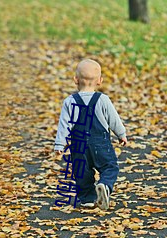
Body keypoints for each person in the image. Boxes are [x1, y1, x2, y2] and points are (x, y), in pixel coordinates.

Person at [54, 59, 127, 210]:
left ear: (76, 79)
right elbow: (113, 119)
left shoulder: (69, 101)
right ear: (100, 81)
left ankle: (87, 198)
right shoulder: (103, 100)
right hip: (100, 143)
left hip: (79, 146)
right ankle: (105, 185)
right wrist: (121, 134)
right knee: (110, 167)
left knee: (82, 173)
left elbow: (64, 125)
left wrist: (59, 144)